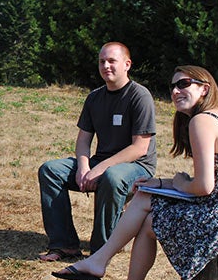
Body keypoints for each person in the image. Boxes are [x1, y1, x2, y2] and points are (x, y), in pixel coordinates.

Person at [52, 66, 218, 280]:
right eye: (173, 86)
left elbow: (203, 186)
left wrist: (177, 181)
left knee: (145, 202)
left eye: (184, 84)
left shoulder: (202, 121)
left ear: (204, 88)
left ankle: (103, 265)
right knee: (148, 210)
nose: (176, 91)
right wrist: (164, 183)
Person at [37, 42, 156, 261]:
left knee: (112, 177)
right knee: (50, 170)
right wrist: (84, 168)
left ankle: (101, 250)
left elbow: (140, 148)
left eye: (112, 61)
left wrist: (99, 169)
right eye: (102, 61)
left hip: (137, 167)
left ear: (127, 64)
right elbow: (83, 140)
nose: (106, 66)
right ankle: (64, 244)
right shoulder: (94, 98)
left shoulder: (140, 96)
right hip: (101, 162)